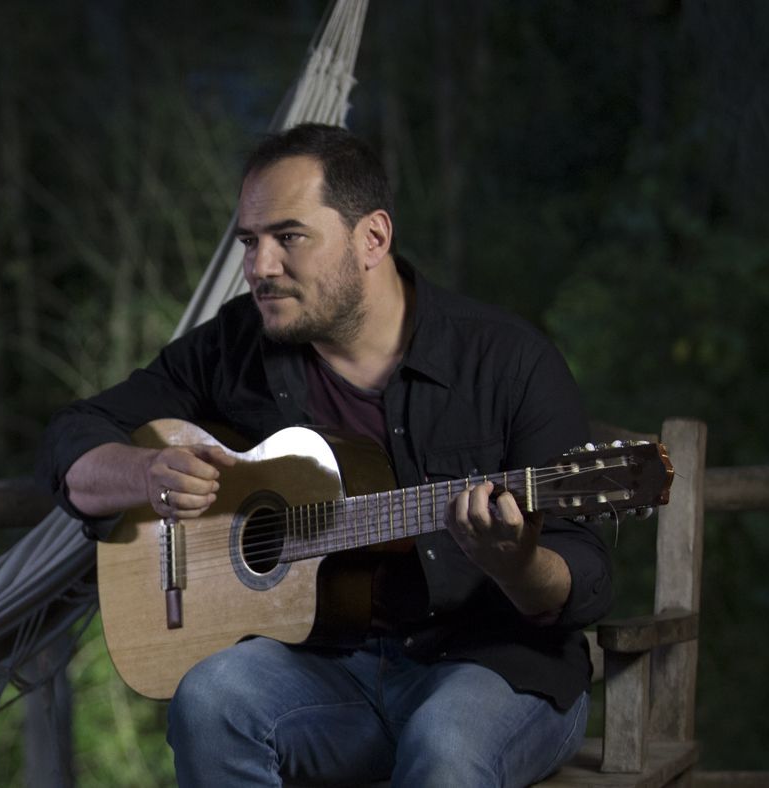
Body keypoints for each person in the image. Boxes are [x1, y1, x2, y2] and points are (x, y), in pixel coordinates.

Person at [35, 123, 611, 787]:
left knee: (444, 748)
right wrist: (142, 473)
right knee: (211, 700)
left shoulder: (509, 361)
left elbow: (587, 574)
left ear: (373, 238)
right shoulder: (235, 348)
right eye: (249, 243)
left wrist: (518, 564)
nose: (260, 268)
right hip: (326, 672)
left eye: (289, 237)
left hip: (493, 669)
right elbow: (73, 435)